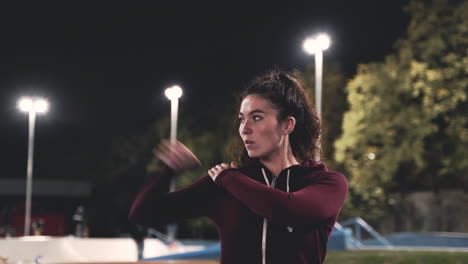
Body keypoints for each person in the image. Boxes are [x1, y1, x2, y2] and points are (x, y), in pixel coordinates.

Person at [128, 70, 348, 264]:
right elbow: (144, 214)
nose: (245, 129)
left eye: (257, 117)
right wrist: (166, 172)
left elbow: (290, 211)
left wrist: (230, 180)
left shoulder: (326, 183)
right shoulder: (224, 185)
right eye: (242, 119)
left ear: (287, 125)